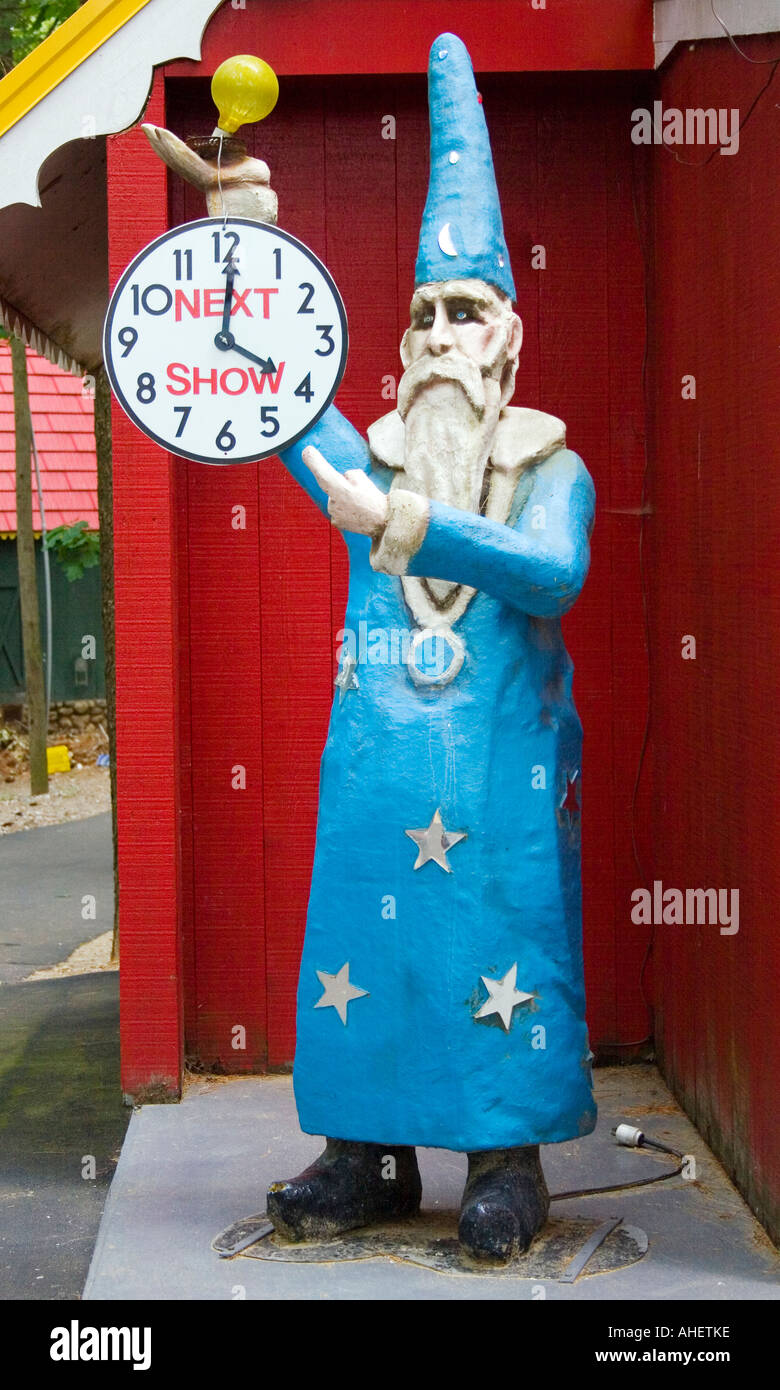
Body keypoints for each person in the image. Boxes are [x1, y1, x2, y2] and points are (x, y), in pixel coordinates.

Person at [265, 33, 598, 1264]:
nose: (445, 336)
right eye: (426, 317)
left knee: (499, 947)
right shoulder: (365, 457)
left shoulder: (552, 470)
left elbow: (554, 574)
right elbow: (278, 416)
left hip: (501, 784)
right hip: (376, 777)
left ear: (509, 338)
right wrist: (246, 252)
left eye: (468, 313)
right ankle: (365, 1152)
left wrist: (403, 521)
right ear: (401, 348)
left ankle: (506, 1160)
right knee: (366, 938)